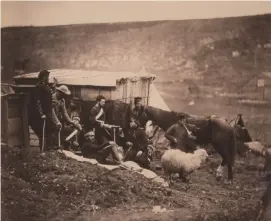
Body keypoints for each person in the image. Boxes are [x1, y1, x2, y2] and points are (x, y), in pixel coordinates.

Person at [32, 70, 55, 151]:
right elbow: (37, 101)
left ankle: (48, 148)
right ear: (43, 77)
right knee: (42, 132)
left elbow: (49, 96)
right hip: (41, 114)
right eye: (47, 77)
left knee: (50, 129)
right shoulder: (38, 87)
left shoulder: (46, 86)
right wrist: (41, 114)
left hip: (47, 112)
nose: (48, 78)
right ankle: (42, 149)